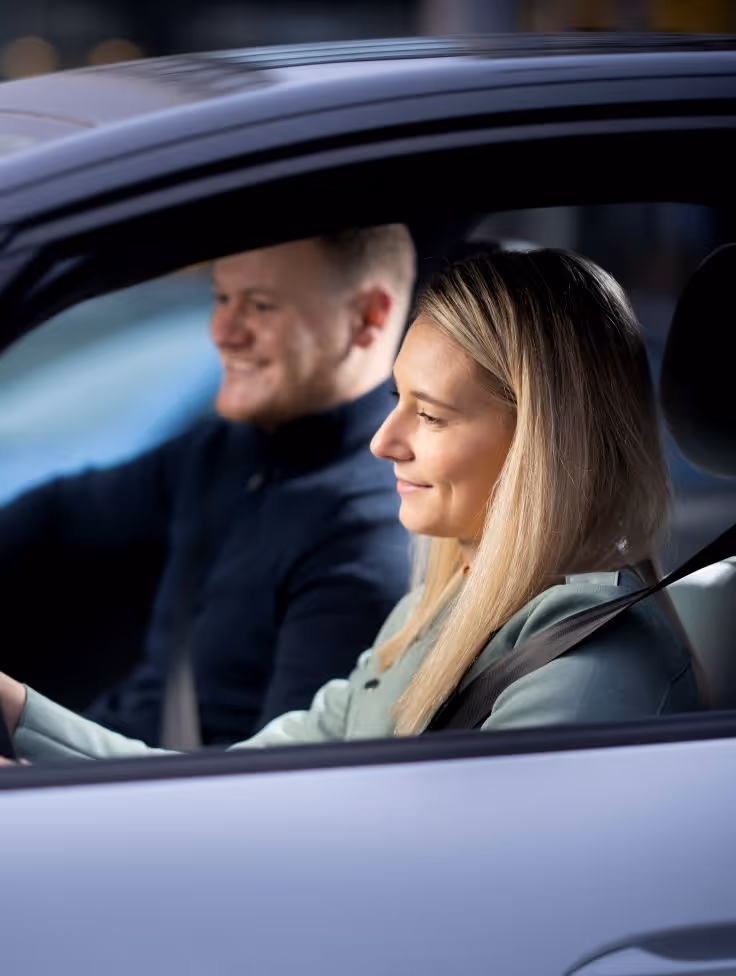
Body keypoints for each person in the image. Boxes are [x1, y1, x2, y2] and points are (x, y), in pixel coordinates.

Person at [0, 247, 700, 762]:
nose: (383, 441)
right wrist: (19, 712)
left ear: (541, 443)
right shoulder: (434, 614)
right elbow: (235, 785)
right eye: (396, 399)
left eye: (430, 415)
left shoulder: (583, 671)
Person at [0, 226, 416, 748]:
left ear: (367, 318)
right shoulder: (224, 451)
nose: (223, 330)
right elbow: (57, 515)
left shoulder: (368, 532)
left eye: (260, 306)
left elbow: (277, 792)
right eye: (222, 298)